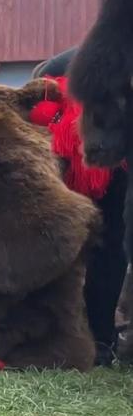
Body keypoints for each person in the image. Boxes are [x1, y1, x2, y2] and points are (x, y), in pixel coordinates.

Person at [34, 48, 128, 366]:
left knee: (58, 244)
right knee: (109, 247)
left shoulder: (60, 63)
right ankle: (101, 340)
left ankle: (50, 333)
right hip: (108, 158)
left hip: (63, 156)